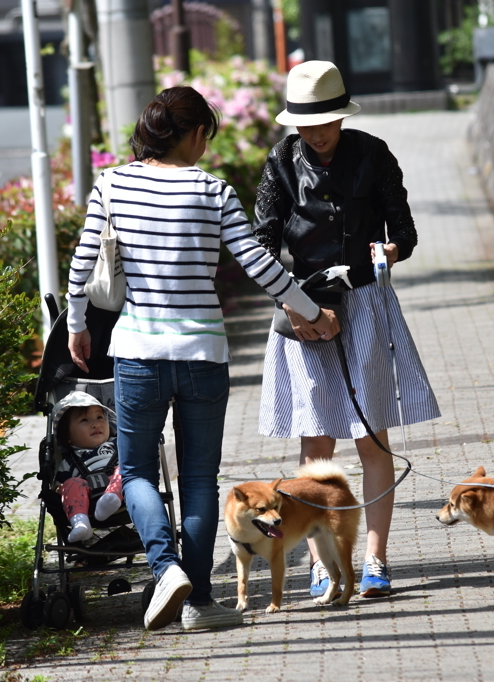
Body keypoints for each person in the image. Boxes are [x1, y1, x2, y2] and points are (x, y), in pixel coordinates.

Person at [66, 86, 339, 632]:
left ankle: (165, 568)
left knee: (139, 471)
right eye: (205, 138)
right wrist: (312, 311)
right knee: (197, 479)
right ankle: (199, 603)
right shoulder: (212, 190)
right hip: (203, 354)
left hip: (139, 351)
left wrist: (76, 325)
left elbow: (82, 263)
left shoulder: (111, 183)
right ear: (195, 135)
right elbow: (259, 264)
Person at [253, 61, 441, 598]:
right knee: (316, 443)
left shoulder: (373, 154)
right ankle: (321, 563)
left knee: (372, 435)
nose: (316, 133)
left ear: (342, 115)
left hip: (365, 303)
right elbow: (262, 242)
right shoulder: (281, 162)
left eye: (326, 121)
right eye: (306, 124)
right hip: (305, 307)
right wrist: (290, 302)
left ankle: (376, 560)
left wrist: (391, 249)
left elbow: (403, 228)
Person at [52, 391, 123, 543]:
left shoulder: (118, 444)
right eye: (84, 420)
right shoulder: (69, 461)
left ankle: (111, 498)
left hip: (121, 495)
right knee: (70, 484)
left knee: (125, 469)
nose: (96, 424)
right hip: (87, 497)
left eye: (99, 417)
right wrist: (60, 488)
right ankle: (80, 523)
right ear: (68, 436)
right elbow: (60, 486)